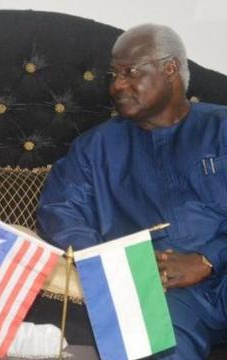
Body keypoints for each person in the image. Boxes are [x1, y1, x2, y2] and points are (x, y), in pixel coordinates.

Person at [37, 23, 227, 359]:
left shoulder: (220, 127)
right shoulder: (95, 149)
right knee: (153, 338)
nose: (117, 85)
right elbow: (59, 211)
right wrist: (119, 264)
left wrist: (210, 258)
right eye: (113, 74)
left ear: (170, 69)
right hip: (157, 287)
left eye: (130, 72)